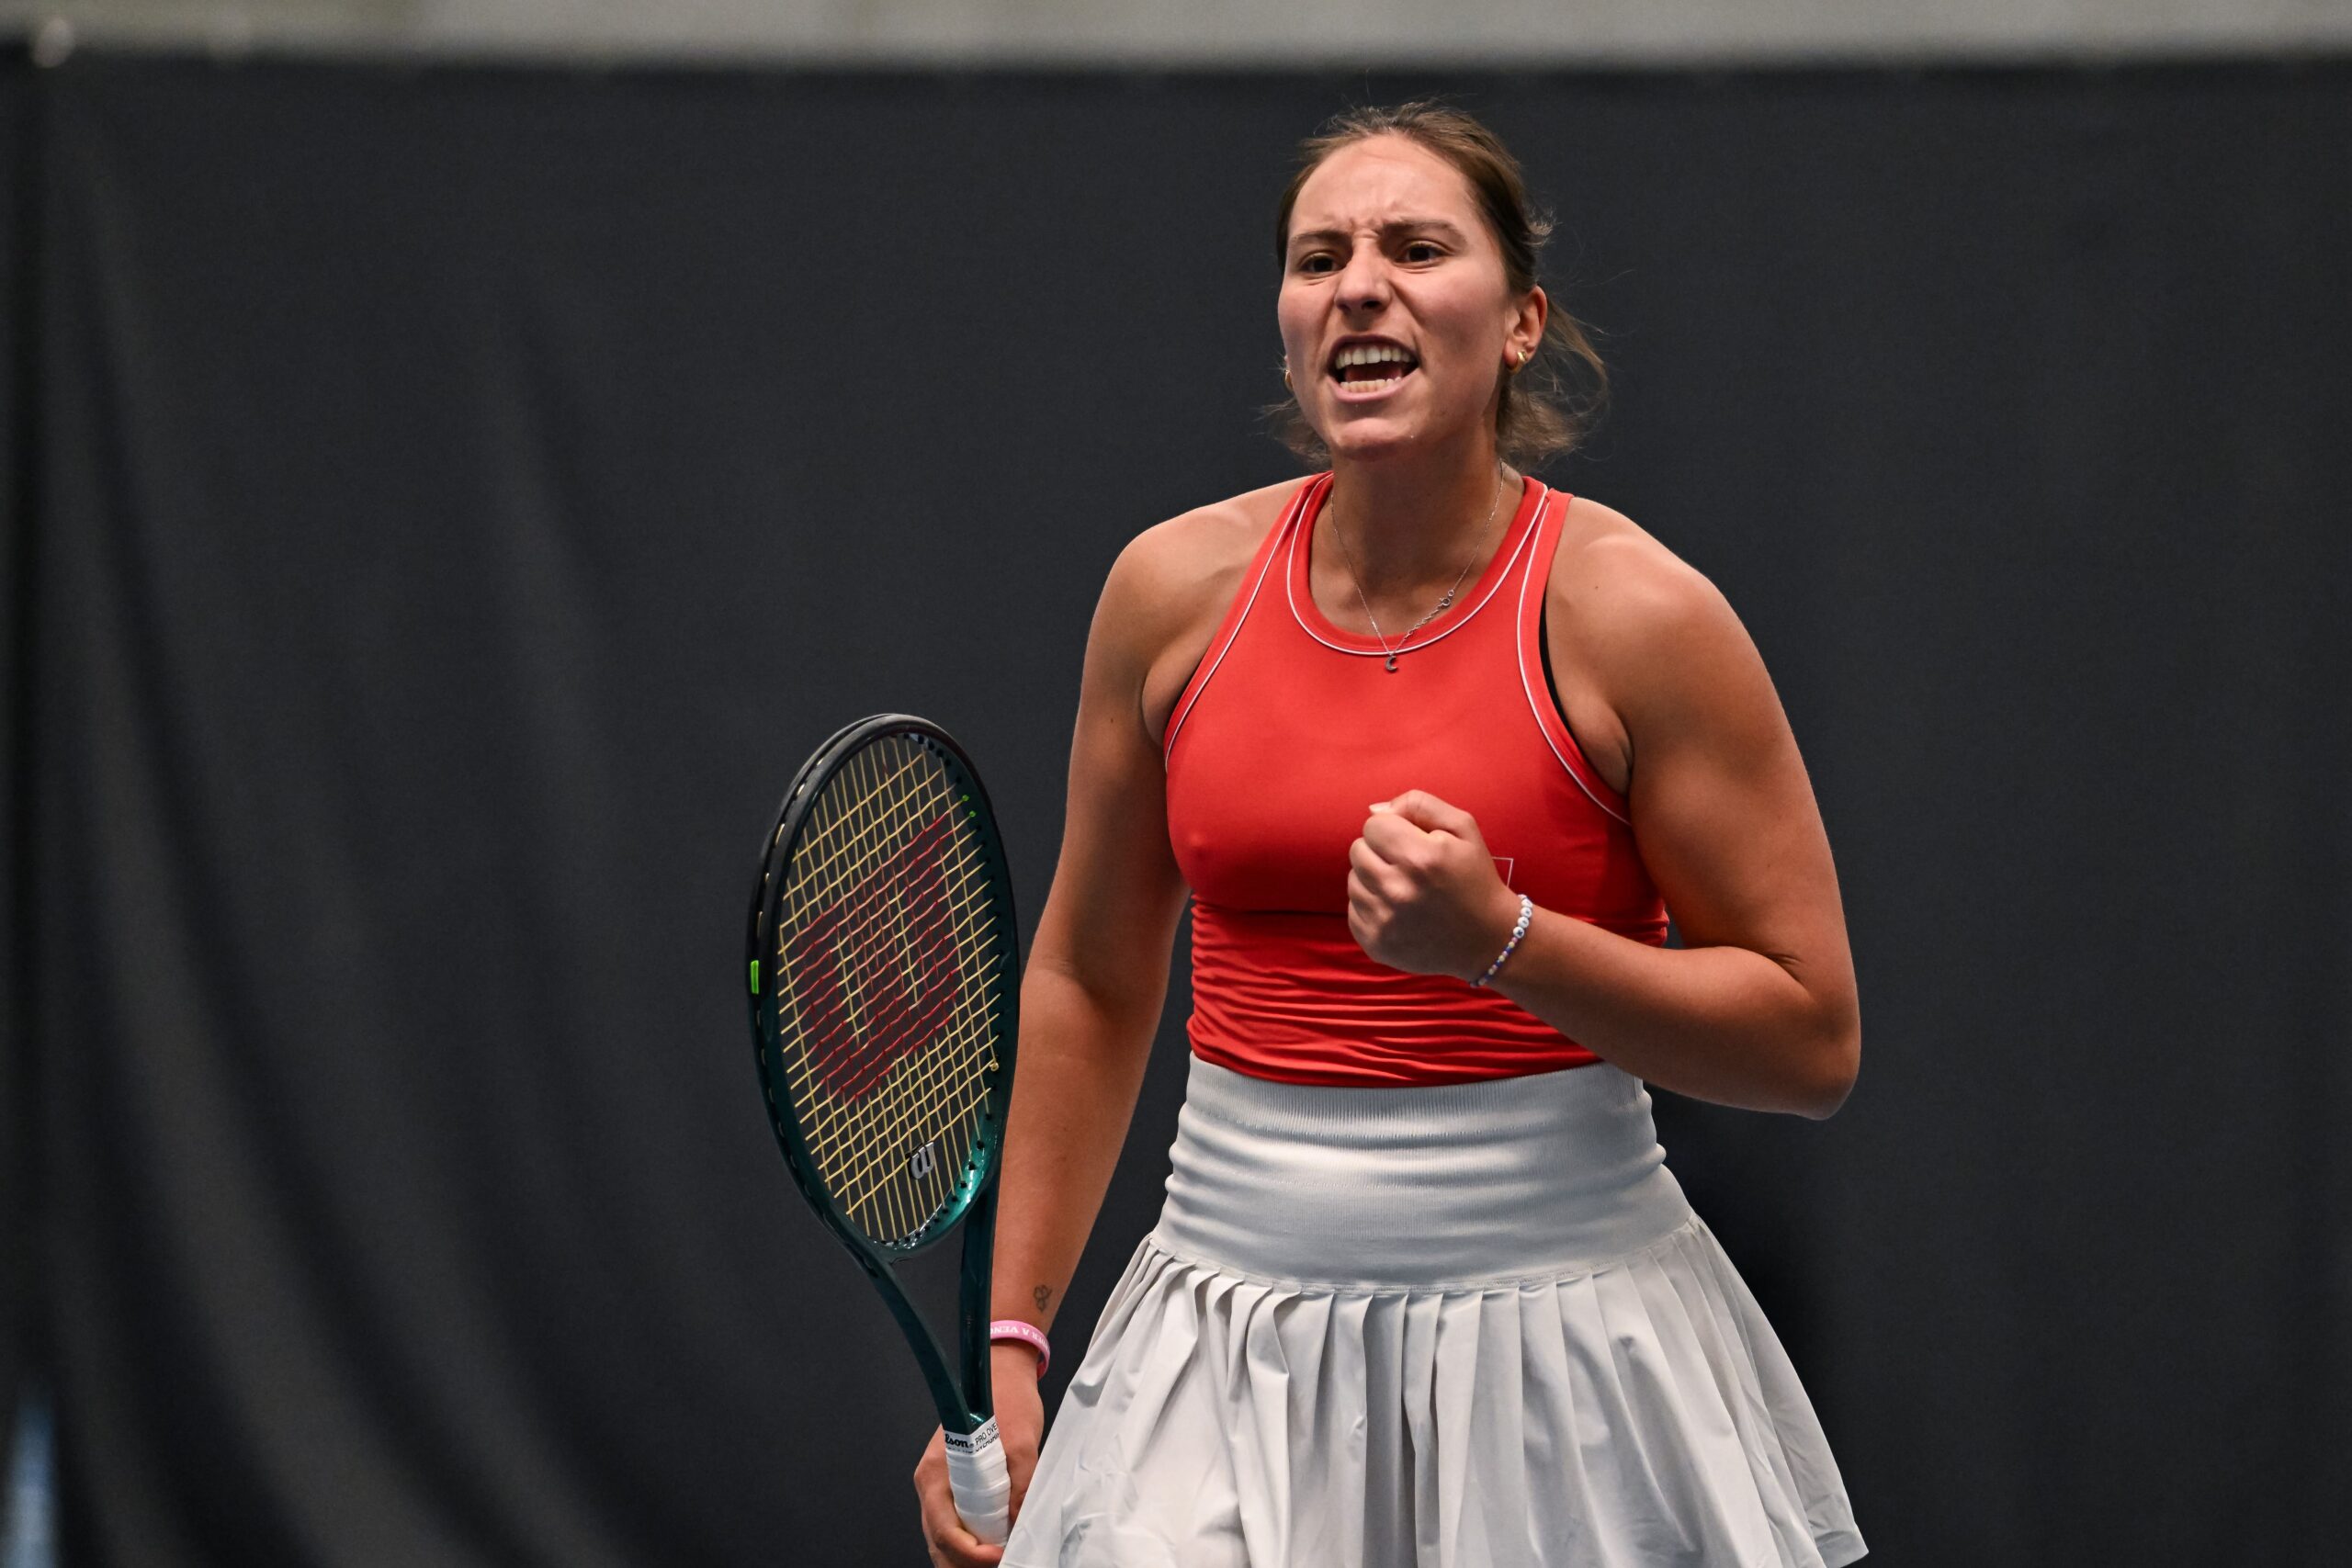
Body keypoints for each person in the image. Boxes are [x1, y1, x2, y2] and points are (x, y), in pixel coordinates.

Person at [916, 101, 1866, 1568]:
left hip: (1566, 1344)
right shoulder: (1168, 595)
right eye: (1320, 259)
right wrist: (1012, 1340)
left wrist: (1506, 943)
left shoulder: (1640, 616)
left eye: (1418, 249)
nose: (1360, 285)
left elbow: (1810, 1040)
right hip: (1221, 1339)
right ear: (1290, 327)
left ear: (1523, 321)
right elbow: (1091, 980)